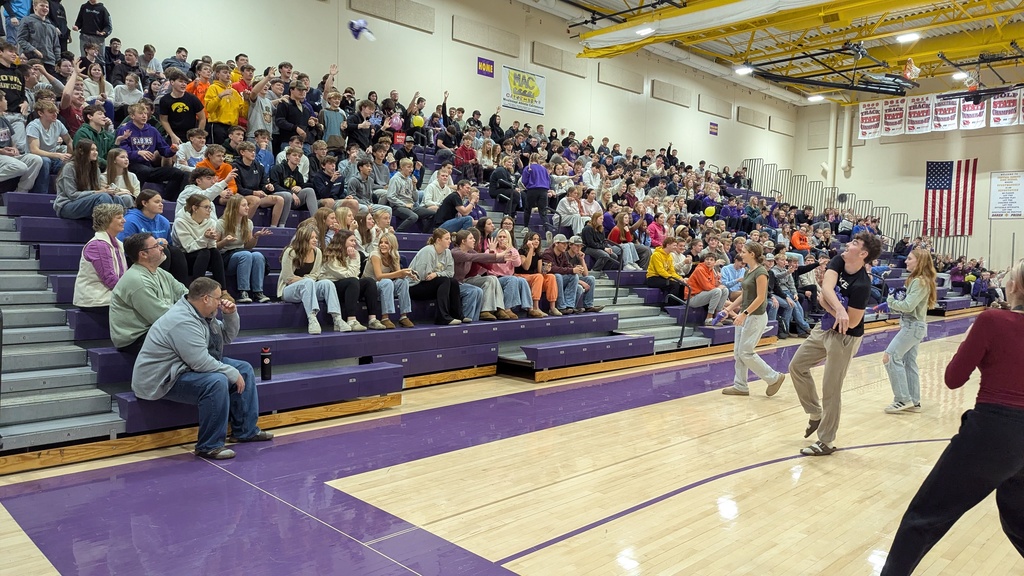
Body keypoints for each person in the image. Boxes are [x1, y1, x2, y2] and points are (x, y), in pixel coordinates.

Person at [880, 259, 1024, 575]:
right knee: (1018, 519)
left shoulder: (992, 321)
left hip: (994, 431)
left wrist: (975, 344)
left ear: (1012, 286)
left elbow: (953, 378)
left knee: (924, 517)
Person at [132, 277, 273, 460]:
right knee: (216, 381)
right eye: (217, 297)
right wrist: (231, 372)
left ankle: (245, 431)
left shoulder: (204, 315)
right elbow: (200, 362)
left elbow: (226, 338)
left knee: (244, 368)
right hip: (162, 377)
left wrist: (230, 315)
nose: (220, 301)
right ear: (205, 298)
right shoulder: (182, 320)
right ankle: (209, 446)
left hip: (184, 368)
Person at [788, 231, 882, 456]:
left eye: (854, 243)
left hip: (845, 337)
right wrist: (837, 309)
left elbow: (853, 322)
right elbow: (826, 289)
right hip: (826, 326)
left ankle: (826, 441)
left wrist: (830, 307)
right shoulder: (839, 260)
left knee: (831, 388)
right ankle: (815, 413)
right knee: (796, 367)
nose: (848, 244)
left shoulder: (862, 285)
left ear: (863, 254)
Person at [720, 242, 787, 396]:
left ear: (752, 254)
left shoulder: (761, 272)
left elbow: (761, 297)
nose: (741, 254)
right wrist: (729, 309)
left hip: (755, 316)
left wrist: (744, 314)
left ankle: (774, 377)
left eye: (744, 251)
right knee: (738, 353)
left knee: (746, 352)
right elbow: (744, 294)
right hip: (745, 314)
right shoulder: (748, 271)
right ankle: (741, 385)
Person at [878, 248, 937, 414]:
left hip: (912, 326)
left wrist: (890, 301)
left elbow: (908, 306)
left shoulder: (919, 281)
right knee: (909, 363)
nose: (906, 261)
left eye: (910, 259)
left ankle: (902, 399)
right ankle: (914, 401)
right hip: (915, 326)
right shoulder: (922, 280)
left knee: (889, 357)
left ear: (919, 261)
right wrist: (891, 306)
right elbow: (908, 306)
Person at [109, 232, 188, 354]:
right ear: (143, 254)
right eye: (156, 246)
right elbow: (160, 316)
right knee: (188, 337)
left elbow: (186, 295)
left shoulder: (161, 273)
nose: (162, 248)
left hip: (154, 329)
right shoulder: (137, 280)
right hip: (135, 338)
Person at [278, 225, 345, 334]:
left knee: (327, 283)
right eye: (312, 238)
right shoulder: (291, 252)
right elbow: (287, 277)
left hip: (308, 287)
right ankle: (312, 319)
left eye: (316, 238)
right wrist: (306, 280)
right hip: (288, 290)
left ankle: (337, 318)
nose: (315, 240)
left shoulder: (317, 252)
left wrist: (303, 279)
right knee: (308, 282)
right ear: (303, 239)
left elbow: (315, 275)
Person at [119, 102, 188, 200]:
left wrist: (172, 150)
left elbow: (164, 151)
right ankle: (137, 199)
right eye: (141, 113)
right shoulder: (125, 130)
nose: (144, 116)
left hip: (148, 168)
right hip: (130, 166)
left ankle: (168, 199)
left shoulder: (152, 131)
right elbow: (121, 153)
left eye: (145, 113)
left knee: (178, 173)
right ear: (132, 116)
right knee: (143, 170)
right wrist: (137, 153)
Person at [322, 229, 387, 331]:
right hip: (332, 286)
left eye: (354, 240)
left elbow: (355, 273)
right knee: (352, 281)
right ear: (342, 241)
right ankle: (351, 320)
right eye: (351, 241)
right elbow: (346, 275)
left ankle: (372, 320)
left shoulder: (355, 253)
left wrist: (353, 258)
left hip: (350, 283)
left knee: (369, 281)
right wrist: (352, 259)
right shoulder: (330, 255)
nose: (354, 243)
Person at [54, 139, 131, 218]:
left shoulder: (95, 169)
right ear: (81, 151)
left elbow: (96, 190)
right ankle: (105, 228)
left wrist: (105, 190)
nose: (96, 152)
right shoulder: (70, 167)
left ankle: (121, 227)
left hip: (86, 202)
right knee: (103, 197)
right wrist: (98, 192)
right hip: (67, 205)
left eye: (96, 150)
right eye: (92, 150)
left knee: (116, 199)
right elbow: (72, 195)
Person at [217, 195, 272, 304]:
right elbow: (215, 246)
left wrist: (255, 237)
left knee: (258, 255)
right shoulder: (221, 223)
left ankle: (258, 292)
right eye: (244, 205)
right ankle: (242, 291)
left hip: (242, 253)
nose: (247, 208)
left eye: (247, 205)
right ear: (234, 207)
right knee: (246, 255)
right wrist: (225, 241)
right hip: (225, 257)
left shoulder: (248, 223)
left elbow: (248, 246)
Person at [72, 202, 125, 309]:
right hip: (96, 299)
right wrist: (130, 293)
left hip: (109, 295)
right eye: (119, 218)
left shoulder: (118, 243)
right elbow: (109, 278)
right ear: (107, 221)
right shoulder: (98, 245)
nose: (124, 220)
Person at [407, 228, 465, 325]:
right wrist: (438, 275)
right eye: (447, 239)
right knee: (444, 281)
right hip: (414, 286)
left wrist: (436, 274)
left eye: (450, 238)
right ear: (438, 240)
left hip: (430, 284)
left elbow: (450, 273)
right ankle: (442, 317)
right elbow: (423, 276)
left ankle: (457, 315)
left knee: (453, 282)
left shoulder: (447, 252)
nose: (450, 241)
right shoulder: (428, 251)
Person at [451, 229, 509, 321]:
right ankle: (468, 318)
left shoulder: (470, 251)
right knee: (475, 290)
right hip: (453, 284)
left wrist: (503, 257)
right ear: (463, 241)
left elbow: (484, 261)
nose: (474, 240)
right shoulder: (456, 252)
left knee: (481, 288)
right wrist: (498, 255)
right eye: (471, 238)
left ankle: (476, 318)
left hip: (461, 283)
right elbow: (474, 257)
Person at [363, 231, 415, 328]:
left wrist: (408, 275)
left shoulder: (395, 255)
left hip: (385, 286)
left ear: (393, 245)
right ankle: (385, 317)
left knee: (403, 282)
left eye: (386, 243)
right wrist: (400, 273)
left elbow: (398, 275)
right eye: (381, 242)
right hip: (371, 287)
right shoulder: (375, 254)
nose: (382, 245)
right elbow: (378, 276)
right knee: (386, 282)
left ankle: (404, 316)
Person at [172, 194, 225, 287]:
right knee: (204, 252)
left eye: (210, 207)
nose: (209, 210)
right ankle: (197, 288)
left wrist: (212, 238)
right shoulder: (180, 222)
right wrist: (205, 238)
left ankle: (223, 290)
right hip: (184, 257)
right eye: (206, 207)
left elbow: (212, 246)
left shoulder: (211, 222)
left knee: (215, 252)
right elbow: (189, 247)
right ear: (195, 208)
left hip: (203, 256)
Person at [0, 91, 43, 192]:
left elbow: (11, 139)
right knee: (20, 167)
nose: (7, 101)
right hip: (1, 155)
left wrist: (14, 148)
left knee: (36, 160)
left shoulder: (3, 119)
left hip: (7, 155)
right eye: (4, 99)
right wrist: (2, 151)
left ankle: (20, 192)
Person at [515, 231, 561, 316]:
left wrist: (546, 270)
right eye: (534, 239)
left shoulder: (538, 254)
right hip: (520, 276)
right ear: (528, 241)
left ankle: (552, 307)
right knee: (538, 277)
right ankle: (535, 307)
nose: (536, 241)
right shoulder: (521, 251)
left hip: (533, 277)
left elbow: (540, 271)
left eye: (538, 239)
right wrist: (531, 249)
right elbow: (526, 267)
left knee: (551, 276)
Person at [269, 145, 318, 219]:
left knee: (309, 190)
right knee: (287, 195)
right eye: (294, 155)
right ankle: (282, 225)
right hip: (279, 196)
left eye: (299, 156)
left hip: (294, 200)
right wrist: (291, 193)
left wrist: (300, 187)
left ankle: (316, 219)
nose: (297, 157)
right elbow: (274, 185)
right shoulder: (277, 168)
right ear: (288, 157)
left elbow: (302, 185)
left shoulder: (299, 174)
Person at [687, 252, 731, 325]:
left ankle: (718, 317)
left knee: (725, 290)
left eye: (711, 260)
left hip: (703, 295)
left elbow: (713, 285)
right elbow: (706, 287)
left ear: (715, 262)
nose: (709, 261)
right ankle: (708, 319)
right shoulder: (700, 269)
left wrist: (717, 280)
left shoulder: (711, 270)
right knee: (717, 291)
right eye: (707, 259)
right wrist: (718, 287)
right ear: (704, 261)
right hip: (692, 297)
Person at [17, 0, 60, 71]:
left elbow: (56, 46)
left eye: (47, 7)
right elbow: (21, 39)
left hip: (49, 62)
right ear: (34, 7)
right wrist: (34, 50)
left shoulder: (52, 27)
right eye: (42, 6)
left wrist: (58, 61)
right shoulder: (26, 20)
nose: (45, 8)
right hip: (31, 60)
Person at [566, 235, 603, 313]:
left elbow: (585, 274)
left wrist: (582, 260)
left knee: (591, 279)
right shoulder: (565, 256)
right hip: (567, 279)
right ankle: (570, 307)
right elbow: (566, 275)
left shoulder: (577, 257)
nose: (579, 248)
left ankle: (588, 306)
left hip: (575, 278)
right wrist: (581, 282)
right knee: (579, 285)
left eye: (580, 246)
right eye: (576, 245)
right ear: (570, 245)